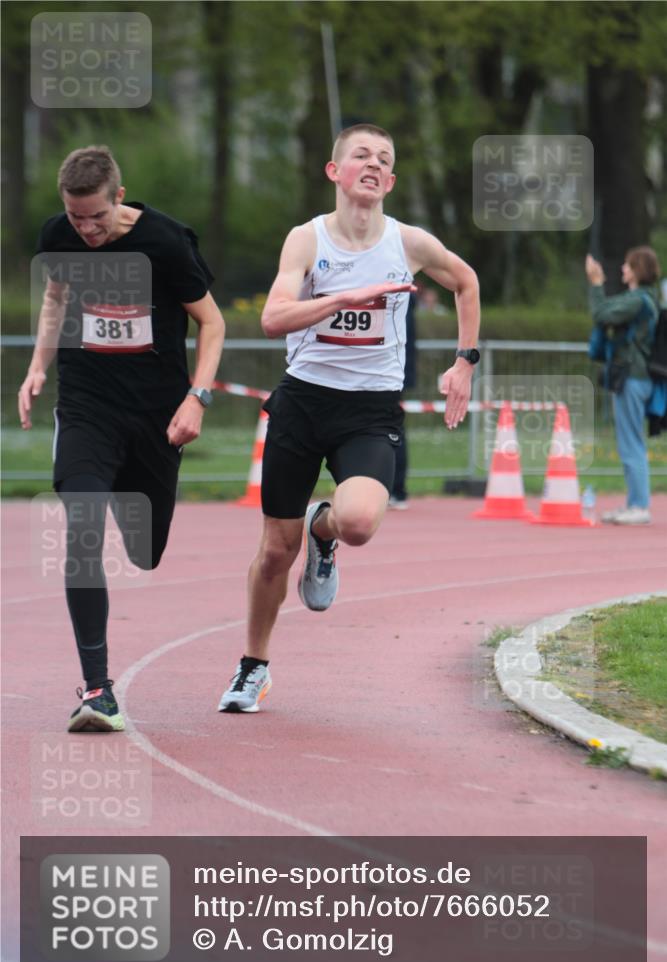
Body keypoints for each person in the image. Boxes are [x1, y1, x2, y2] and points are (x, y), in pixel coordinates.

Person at [218, 123, 480, 713]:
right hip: (303, 402)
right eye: (360, 154)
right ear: (334, 172)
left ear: (390, 181)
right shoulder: (307, 241)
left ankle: (324, 531)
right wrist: (340, 299)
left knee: (358, 522)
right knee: (275, 552)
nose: (372, 163)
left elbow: (465, 281)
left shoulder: (409, 243)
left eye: (383, 159)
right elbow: (272, 318)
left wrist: (465, 361)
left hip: (368, 411)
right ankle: (253, 666)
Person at [18, 146, 225, 731]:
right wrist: (38, 367)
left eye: (96, 218)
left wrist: (197, 397)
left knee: (145, 551)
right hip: (87, 406)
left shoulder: (164, 242)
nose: (85, 229)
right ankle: (97, 689)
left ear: (120, 196)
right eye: (75, 216)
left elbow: (212, 322)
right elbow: (56, 298)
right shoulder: (57, 237)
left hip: (157, 415)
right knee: (82, 525)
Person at [585, 247, 660, 525]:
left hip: (633, 378)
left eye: (628, 266)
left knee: (631, 443)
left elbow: (602, 314)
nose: (623, 270)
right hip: (636, 378)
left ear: (638, 269)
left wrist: (595, 284)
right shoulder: (642, 299)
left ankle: (639, 506)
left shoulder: (638, 300)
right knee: (631, 442)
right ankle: (634, 503)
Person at [388, 290, 417, 510]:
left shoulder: (399, 293)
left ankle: (396, 489)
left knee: (392, 428)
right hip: (391, 371)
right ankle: (393, 489)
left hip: (391, 372)